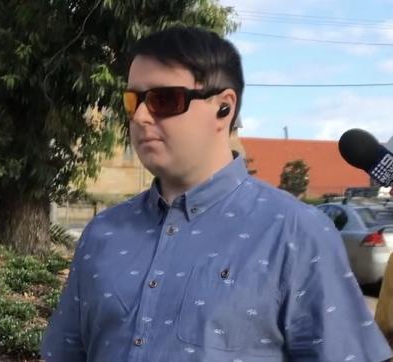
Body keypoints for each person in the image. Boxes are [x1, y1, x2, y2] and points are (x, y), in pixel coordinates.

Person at [40, 26, 392, 362]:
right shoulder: (102, 235)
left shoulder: (296, 234)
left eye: (163, 99)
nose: (141, 117)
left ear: (224, 107)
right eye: (133, 101)